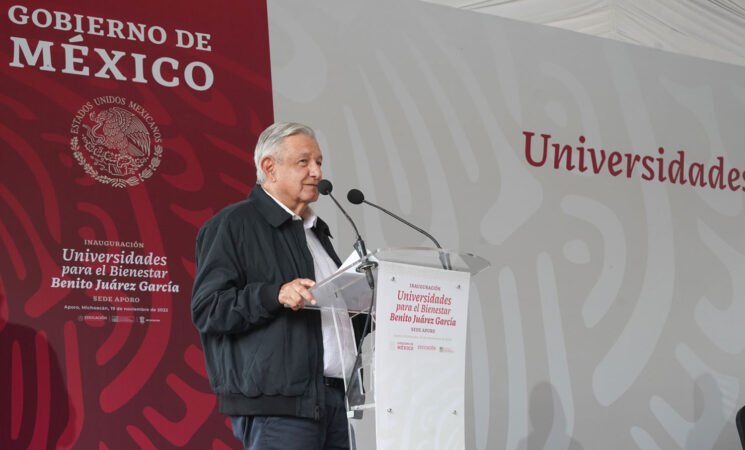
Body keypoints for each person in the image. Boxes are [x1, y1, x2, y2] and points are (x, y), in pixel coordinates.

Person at [191, 122, 356, 450]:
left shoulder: (314, 233)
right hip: (277, 407)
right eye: (304, 162)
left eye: (319, 162)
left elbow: (327, 315)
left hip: (335, 400)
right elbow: (208, 309)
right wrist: (274, 294)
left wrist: (366, 312)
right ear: (270, 167)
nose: (316, 171)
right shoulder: (233, 225)